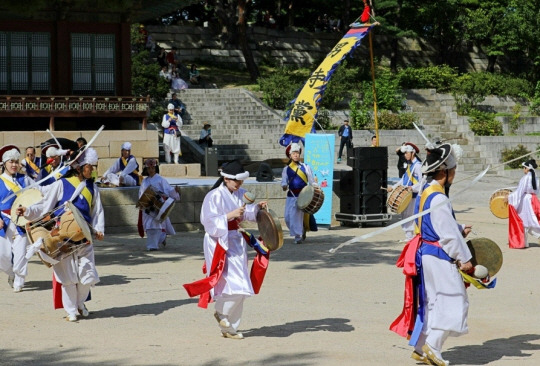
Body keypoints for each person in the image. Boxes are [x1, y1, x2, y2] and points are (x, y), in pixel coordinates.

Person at [390, 143, 473, 366]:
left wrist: (459, 226)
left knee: (434, 302)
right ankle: (433, 346)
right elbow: (447, 236)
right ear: (445, 172)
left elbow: (438, 224)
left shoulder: (427, 192)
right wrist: (464, 259)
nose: (455, 174)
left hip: (426, 254)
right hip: (438, 257)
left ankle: (420, 347)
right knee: (454, 300)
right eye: (453, 171)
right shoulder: (439, 198)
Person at [183, 160, 269, 340]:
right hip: (219, 241)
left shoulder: (241, 193)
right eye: (236, 181)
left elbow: (248, 213)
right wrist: (229, 216)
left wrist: (257, 209)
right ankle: (222, 314)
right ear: (226, 179)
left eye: (240, 181)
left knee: (242, 284)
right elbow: (208, 222)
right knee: (230, 282)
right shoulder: (214, 196)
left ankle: (229, 327)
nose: (239, 184)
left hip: (236, 239)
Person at [18, 147, 105, 322]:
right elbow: (44, 205)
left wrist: (99, 229)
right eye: (90, 166)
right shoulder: (61, 184)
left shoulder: (93, 189)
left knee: (88, 276)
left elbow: (97, 212)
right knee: (68, 277)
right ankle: (71, 310)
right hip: (62, 237)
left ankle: (80, 303)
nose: (93, 170)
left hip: (84, 239)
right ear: (80, 167)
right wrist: (28, 211)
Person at [0, 145, 34, 292]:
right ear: (4, 163)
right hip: (4, 221)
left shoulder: (24, 179)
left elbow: (37, 192)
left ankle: (19, 281)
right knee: (3, 256)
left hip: (21, 221)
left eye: (16, 161)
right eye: (11, 162)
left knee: (20, 254)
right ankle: (11, 273)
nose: (14, 165)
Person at [138, 158, 180, 251]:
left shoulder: (161, 180)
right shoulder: (144, 181)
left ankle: (153, 245)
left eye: (153, 168)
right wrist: (141, 202)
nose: (151, 170)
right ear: (146, 170)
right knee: (149, 227)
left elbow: (169, 191)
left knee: (156, 226)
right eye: (149, 169)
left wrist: (174, 191)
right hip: (147, 208)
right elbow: (141, 194)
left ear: (155, 168)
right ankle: (158, 240)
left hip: (158, 207)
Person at [281, 143, 317, 244]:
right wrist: (284, 186)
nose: (296, 155)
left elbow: (311, 181)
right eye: (293, 153)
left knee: (296, 217)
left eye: (297, 153)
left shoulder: (306, 167)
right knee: (288, 218)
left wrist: (315, 188)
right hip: (291, 195)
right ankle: (301, 229)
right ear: (290, 155)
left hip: (303, 196)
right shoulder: (286, 169)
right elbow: (284, 182)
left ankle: (298, 236)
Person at [387, 143, 422, 241]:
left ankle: (411, 237)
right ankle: (408, 236)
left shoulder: (418, 166)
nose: (405, 155)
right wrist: (393, 187)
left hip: (413, 195)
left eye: (407, 153)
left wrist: (412, 188)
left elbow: (422, 182)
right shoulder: (410, 165)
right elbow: (403, 179)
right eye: (405, 153)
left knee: (409, 216)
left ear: (413, 153)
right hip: (406, 194)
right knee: (405, 214)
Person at [508, 159, 540, 249]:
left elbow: (520, 191)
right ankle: (524, 242)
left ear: (527, 168)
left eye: (524, 168)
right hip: (533, 199)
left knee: (524, 222)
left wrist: (509, 197)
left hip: (526, 201)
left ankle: (522, 242)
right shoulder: (536, 178)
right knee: (531, 221)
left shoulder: (525, 178)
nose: (523, 169)